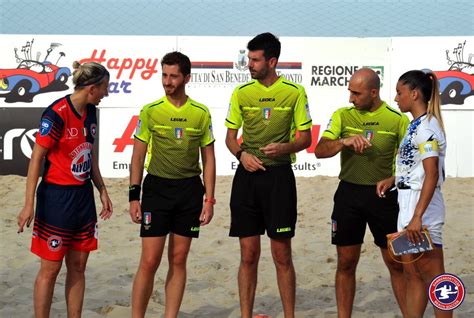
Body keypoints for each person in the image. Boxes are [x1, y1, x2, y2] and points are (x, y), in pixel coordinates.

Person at [225, 32, 312, 318]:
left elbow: (305, 138)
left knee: (282, 256)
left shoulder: (294, 92)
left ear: (272, 61)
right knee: (248, 255)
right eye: (248, 58)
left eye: (255, 59)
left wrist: (285, 147)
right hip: (247, 179)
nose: (249, 64)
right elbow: (229, 138)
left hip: (279, 178)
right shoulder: (241, 92)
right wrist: (241, 155)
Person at [16, 61, 113, 318]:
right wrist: (29, 204)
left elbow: (89, 153)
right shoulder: (56, 113)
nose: (106, 93)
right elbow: (36, 158)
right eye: (104, 87)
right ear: (92, 88)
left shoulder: (91, 111)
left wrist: (101, 188)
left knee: (78, 266)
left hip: (83, 198)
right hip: (56, 199)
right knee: (50, 269)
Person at [314, 68, 409, 318]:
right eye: (350, 92)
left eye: (356, 93)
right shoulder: (342, 116)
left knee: (395, 263)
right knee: (346, 263)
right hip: (348, 195)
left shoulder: (396, 119)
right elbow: (320, 150)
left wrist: (394, 178)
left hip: (384, 197)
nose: (351, 98)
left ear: (374, 92)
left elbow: (414, 162)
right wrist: (343, 142)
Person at [129, 51, 216, 318]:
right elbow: (138, 156)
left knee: (178, 260)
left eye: (173, 76)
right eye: (164, 75)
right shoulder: (151, 111)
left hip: (189, 191)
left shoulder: (201, 113)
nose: (167, 81)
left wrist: (209, 200)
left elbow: (209, 159)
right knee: (150, 261)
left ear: (186, 78)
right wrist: (134, 196)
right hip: (157, 190)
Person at [386, 70, 450, 317]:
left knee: (436, 279)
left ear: (414, 94)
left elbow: (431, 174)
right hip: (408, 202)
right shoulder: (416, 125)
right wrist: (393, 179)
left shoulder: (427, 127)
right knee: (412, 274)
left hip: (422, 208)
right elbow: (417, 168)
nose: (395, 98)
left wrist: (417, 217)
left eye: (399, 92)